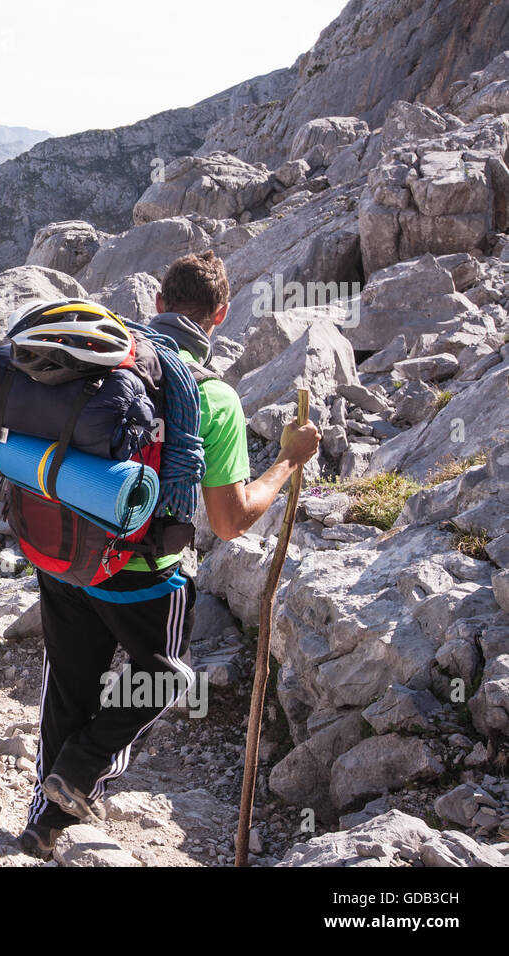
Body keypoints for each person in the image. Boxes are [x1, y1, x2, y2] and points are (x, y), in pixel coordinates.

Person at [18, 251, 321, 858]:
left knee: (68, 685)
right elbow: (229, 521)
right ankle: (78, 774)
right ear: (221, 316)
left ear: (157, 303)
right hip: (141, 574)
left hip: (61, 553)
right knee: (165, 674)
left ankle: (42, 823)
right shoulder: (213, 399)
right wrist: (288, 461)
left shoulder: (96, 362)